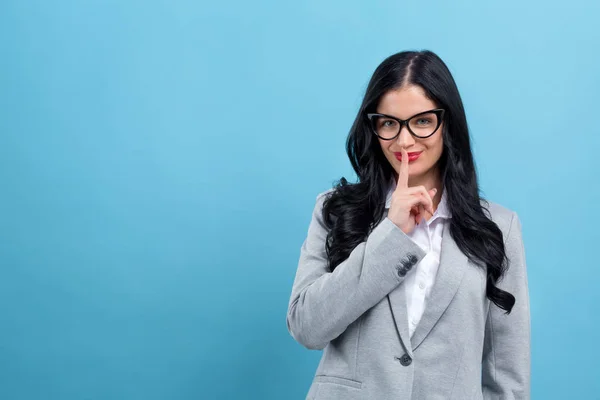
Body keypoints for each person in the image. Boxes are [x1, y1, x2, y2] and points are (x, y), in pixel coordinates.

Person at [285, 50, 530, 400]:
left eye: (422, 121)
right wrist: (391, 233)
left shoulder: (499, 228)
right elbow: (306, 327)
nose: (404, 140)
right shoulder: (336, 209)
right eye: (389, 123)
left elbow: (508, 376)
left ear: (448, 123)